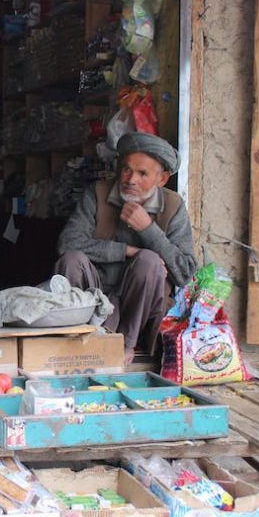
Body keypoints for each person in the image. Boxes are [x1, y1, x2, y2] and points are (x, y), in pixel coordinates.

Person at [55, 132, 197, 364]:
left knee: (149, 261)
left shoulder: (173, 205)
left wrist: (148, 229)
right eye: (126, 169)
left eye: (143, 173)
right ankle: (74, 337)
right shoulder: (98, 194)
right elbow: (67, 243)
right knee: (71, 260)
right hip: (95, 292)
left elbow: (186, 273)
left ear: (162, 179)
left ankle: (125, 345)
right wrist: (127, 250)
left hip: (140, 307)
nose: (131, 179)